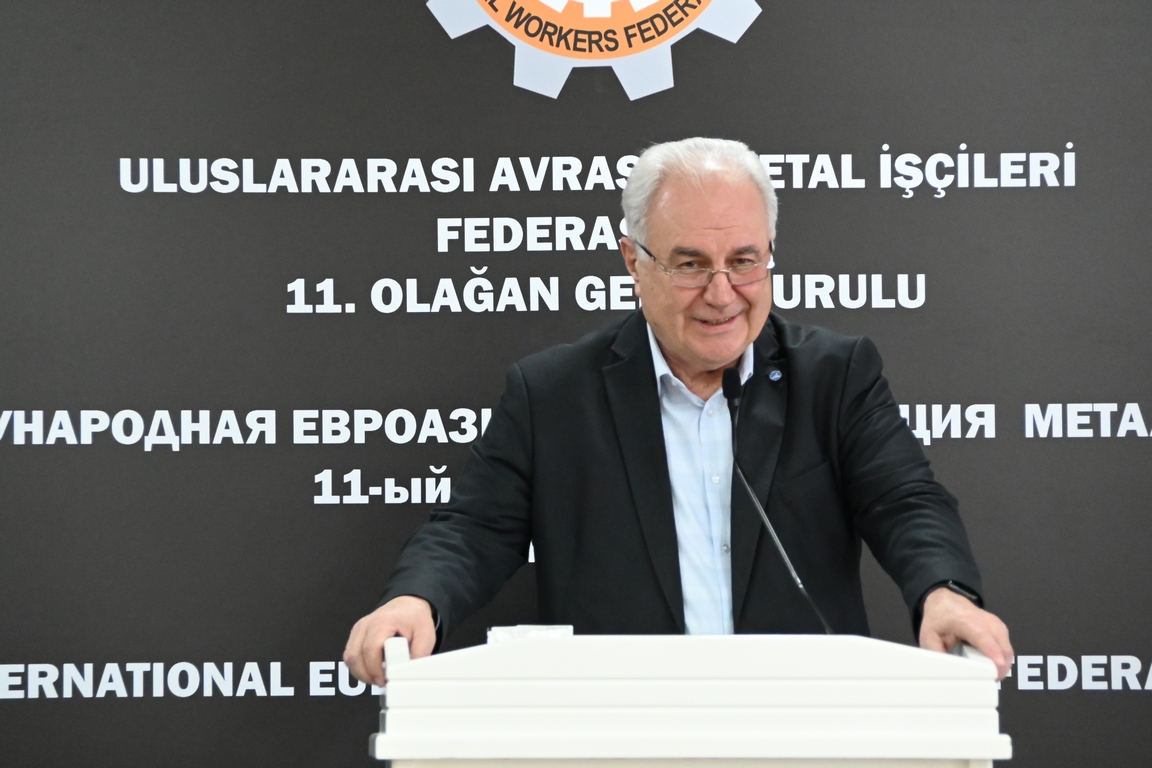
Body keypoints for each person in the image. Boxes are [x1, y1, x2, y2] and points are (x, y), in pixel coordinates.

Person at [344, 137, 1013, 686]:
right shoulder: (552, 394)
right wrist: (416, 599)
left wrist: (943, 591)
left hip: (801, 722)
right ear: (633, 262)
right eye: (691, 264)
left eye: (744, 261)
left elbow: (904, 500)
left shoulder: (834, 378)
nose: (722, 294)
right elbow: (474, 530)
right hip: (619, 731)